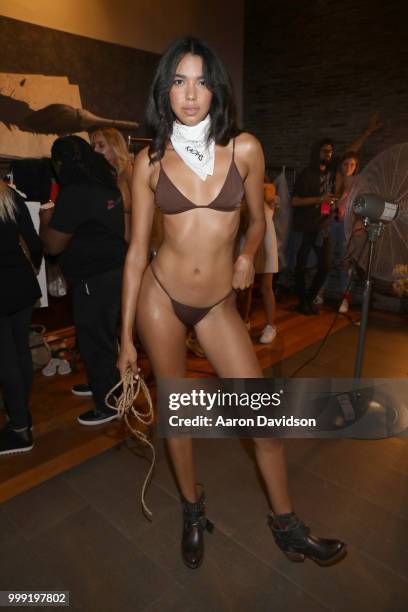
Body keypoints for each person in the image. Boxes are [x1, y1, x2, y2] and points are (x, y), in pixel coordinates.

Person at [117, 36, 345, 570]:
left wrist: (246, 254)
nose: (190, 94)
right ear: (164, 90)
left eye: (200, 80)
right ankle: (192, 510)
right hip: (160, 299)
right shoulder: (148, 160)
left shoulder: (244, 148)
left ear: (216, 89)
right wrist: (125, 338)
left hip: (218, 304)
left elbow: (257, 220)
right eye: (178, 80)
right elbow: (133, 255)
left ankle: (288, 527)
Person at [40, 136, 127, 425]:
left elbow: (53, 246)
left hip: (94, 277)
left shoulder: (74, 192)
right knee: (103, 335)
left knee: (95, 339)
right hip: (115, 271)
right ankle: (103, 384)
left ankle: (109, 404)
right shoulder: (106, 184)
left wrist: (46, 218)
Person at [292, 114, 381, 315]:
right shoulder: (307, 173)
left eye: (331, 152)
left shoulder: (333, 170)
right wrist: (320, 200)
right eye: (325, 151)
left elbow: (350, 152)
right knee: (301, 265)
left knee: (325, 266)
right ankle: (304, 301)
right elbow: (294, 201)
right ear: (317, 152)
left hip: (324, 225)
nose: (329, 155)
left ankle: (308, 298)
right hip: (306, 225)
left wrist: (367, 132)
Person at [0, 181, 42, 455]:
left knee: (6, 360)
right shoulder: (8, 195)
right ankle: (21, 416)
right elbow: (34, 242)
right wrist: (31, 268)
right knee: (20, 351)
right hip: (22, 284)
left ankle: (19, 430)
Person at [91, 128, 133, 242]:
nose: (95, 150)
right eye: (94, 146)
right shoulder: (104, 176)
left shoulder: (129, 172)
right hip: (107, 245)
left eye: (101, 145)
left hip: (128, 246)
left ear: (115, 146)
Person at [258, 180, 279, 343]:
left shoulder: (268, 187)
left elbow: (271, 207)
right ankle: (243, 320)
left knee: (266, 285)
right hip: (246, 233)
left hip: (266, 237)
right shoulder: (239, 183)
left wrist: (273, 202)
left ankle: (270, 325)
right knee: (241, 287)